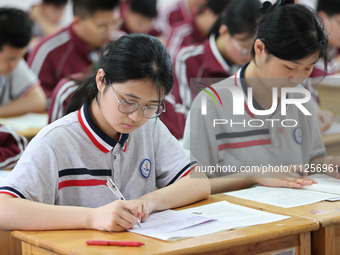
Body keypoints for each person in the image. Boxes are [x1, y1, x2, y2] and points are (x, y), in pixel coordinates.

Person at [0, 34, 210, 231]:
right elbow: (4, 208)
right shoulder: (56, 141)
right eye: (128, 102)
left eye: (151, 106)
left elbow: (198, 182)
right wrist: (92, 218)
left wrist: (147, 202)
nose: (137, 117)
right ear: (101, 81)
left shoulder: (150, 128)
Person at [183, 1, 340, 194]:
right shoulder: (211, 103)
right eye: (289, 67)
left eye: (307, 68)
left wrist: (328, 165)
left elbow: (310, 162)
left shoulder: (301, 99)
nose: (297, 78)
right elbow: (191, 184)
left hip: (297, 214)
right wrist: (253, 175)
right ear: (259, 49)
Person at [160, 0, 261, 139]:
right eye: (244, 47)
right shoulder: (189, 60)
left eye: (256, 49)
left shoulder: (252, 66)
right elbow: (186, 122)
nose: (250, 55)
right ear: (224, 31)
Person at [27, 0, 121, 103]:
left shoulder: (120, 42)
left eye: (115, 23)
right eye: (102, 27)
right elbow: (35, 99)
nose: (110, 32)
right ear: (77, 22)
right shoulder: (49, 50)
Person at [0, 8, 46, 117]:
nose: (15, 65)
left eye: (21, 57)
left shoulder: (14, 61)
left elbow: (38, 100)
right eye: (10, 59)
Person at [302, 0, 340, 132]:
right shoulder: (308, 42)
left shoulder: (335, 48)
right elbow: (318, 75)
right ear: (323, 17)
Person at [166, 0, 231, 57]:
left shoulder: (212, 36)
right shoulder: (181, 33)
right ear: (208, 11)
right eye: (219, 22)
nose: (219, 26)